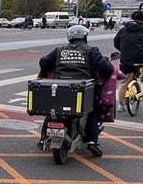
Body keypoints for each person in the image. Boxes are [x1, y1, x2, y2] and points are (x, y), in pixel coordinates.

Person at [39, 25, 112, 156]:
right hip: (84, 90)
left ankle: (43, 137)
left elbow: (43, 63)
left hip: (60, 89)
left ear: (69, 37)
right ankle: (92, 142)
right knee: (92, 111)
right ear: (85, 36)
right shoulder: (91, 50)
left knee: (52, 111)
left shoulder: (59, 50)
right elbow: (106, 69)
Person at [113, 10, 143, 97]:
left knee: (124, 81)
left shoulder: (123, 29)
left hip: (127, 59)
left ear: (132, 18)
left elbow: (116, 42)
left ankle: (121, 104)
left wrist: (124, 51)